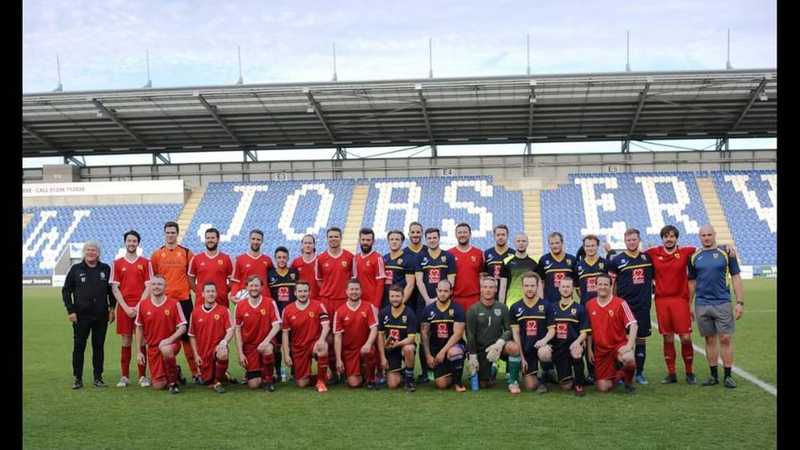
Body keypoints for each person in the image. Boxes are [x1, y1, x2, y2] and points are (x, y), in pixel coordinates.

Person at [689, 224, 745, 388]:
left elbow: (736, 277)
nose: (706, 237)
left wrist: (740, 302)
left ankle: (728, 375)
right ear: (700, 237)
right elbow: (691, 283)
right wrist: (688, 304)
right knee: (709, 339)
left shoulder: (726, 252)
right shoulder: (694, 256)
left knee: (726, 338)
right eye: (703, 235)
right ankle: (713, 375)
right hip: (702, 303)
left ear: (714, 235)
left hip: (722, 302)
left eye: (709, 234)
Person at [644, 225, 698, 385]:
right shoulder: (653, 253)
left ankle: (689, 372)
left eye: (672, 236)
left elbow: (706, 248)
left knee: (686, 338)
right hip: (662, 301)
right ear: (662, 238)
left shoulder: (686, 252)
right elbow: (634, 255)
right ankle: (671, 373)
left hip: (680, 300)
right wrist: (610, 251)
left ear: (676, 238)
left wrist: (726, 246)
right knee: (667, 338)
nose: (669, 239)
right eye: (666, 236)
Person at [62, 240, 115, 389]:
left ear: (98, 253)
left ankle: (98, 377)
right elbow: (66, 291)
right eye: (88, 250)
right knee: (79, 347)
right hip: (81, 316)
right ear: (84, 252)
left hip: (101, 315)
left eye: (94, 250)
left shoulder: (106, 269)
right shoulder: (76, 269)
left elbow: (111, 292)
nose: (91, 252)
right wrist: (70, 310)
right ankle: (77, 378)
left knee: (98, 347)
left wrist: (112, 309)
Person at [150, 221, 199, 381]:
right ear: (164, 234)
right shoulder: (157, 254)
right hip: (165, 303)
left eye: (173, 232)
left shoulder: (186, 253)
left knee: (187, 337)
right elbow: (155, 280)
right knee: (167, 338)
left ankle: (195, 372)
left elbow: (192, 276)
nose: (170, 235)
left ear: (177, 234)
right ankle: (173, 371)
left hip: (184, 301)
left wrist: (197, 293)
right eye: (168, 232)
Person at [607, 228, 654, 385]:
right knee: (621, 340)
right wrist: (613, 302)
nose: (631, 242)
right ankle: (621, 372)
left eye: (634, 239)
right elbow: (612, 284)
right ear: (625, 241)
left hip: (642, 306)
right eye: (629, 240)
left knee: (640, 339)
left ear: (639, 240)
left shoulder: (647, 258)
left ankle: (639, 373)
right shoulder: (617, 260)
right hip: (624, 306)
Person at [109, 230, 153, 388]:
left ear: (138, 243)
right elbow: (115, 288)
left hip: (142, 307)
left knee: (142, 340)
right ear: (125, 242)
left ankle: (142, 376)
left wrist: (139, 306)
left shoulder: (146, 262)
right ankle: (124, 376)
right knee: (126, 340)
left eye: (134, 241)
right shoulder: (117, 263)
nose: (132, 243)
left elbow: (149, 286)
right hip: (124, 308)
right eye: (129, 241)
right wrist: (126, 307)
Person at [534, 277, 590, 396]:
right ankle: (547, 374)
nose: (565, 289)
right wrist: (545, 342)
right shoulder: (551, 307)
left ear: (573, 289)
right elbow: (548, 330)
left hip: (572, 346)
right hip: (557, 348)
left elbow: (584, 332)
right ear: (559, 289)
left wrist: (578, 342)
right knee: (565, 386)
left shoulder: (580, 309)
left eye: (568, 287)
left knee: (576, 351)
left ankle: (579, 384)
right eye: (563, 286)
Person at [465, 277, 521, 394]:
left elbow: (508, 330)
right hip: (481, 349)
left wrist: (499, 344)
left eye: (491, 287)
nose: (488, 290)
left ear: (496, 289)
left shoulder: (503, 308)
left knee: (514, 348)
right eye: (485, 287)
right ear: (481, 289)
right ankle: (493, 369)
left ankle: (513, 381)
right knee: (483, 385)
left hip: (499, 347)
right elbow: (470, 334)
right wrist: (473, 355)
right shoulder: (473, 309)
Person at [585, 274, 638, 394]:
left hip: (618, 346)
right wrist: (589, 350)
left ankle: (628, 383)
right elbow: (588, 331)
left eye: (605, 284)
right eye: (600, 284)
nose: (602, 287)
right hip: (601, 351)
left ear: (611, 286)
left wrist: (629, 346)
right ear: (595, 286)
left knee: (629, 359)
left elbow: (633, 324)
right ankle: (620, 374)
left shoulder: (620, 303)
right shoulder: (589, 305)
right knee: (603, 388)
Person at [134, 275, 187, 394]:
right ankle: (176, 371)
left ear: (165, 287)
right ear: (150, 287)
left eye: (159, 284)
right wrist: (139, 351)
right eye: (154, 284)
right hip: (153, 348)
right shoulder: (143, 305)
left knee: (166, 349)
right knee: (159, 385)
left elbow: (183, 327)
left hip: (171, 344)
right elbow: (139, 328)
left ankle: (173, 383)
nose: (156, 287)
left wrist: (170, 339)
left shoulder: (174, 303)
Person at [315, 227, 355, 382]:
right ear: (327, 238)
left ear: (341, 237)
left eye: (336, 236)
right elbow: (319, 280)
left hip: (343, 302)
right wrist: (328, 291)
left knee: (346, 336)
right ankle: (332, 370)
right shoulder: (321, 258)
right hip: (327, 301)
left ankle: (345, 368)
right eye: (330, 236)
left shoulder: (349, 257)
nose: (333, 239)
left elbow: (353, 279)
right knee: (329, 337)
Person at [234, 275, 282, 392]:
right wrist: (240, 353)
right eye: (251, 286)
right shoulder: (240, 306)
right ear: (246, 288)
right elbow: (237, 330)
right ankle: (264, 372)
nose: (254, 288)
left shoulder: (270, 302)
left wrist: (265, 341)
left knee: (267, 349)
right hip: (250, 347)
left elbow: (277, 325)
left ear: (261, 287)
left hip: (266, 343)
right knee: (254, 385)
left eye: (256, 285)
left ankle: (269, 380)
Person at [571, 234, 608, 384]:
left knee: (604, 339)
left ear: (597, 246)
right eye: (587, 246)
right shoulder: (578, 266)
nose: (590, 248)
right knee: (588, 340)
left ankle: (606, 369)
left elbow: (611, 285)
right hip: (587, 308)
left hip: (604, 307)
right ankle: (592, 373)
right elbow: (579, 290)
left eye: (593, 245)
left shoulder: (604, 264)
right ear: (584, 247)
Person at [281, 281, 330, 392]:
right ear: (295, 293)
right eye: (300, 291)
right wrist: (286, 354)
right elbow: (285, 333)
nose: (303, 294)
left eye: (305, 291)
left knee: (323, 348)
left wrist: (321, 340)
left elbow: (326, 326)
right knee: (302, 383)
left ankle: (321, 381)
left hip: (314, 343)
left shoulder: (318, 305)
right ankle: (323, 375)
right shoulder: (288, 310)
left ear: (309, 292)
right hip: (298, 347)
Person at [420, 280, 467, 392]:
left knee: (454, 352)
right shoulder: (428, 310)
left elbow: (458, 334)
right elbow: (424, 334)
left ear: (451, 292)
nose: (442, 293)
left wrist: (443, 351)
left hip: (453, 347)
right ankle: (452, 371)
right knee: (441, 384)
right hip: (436, 350)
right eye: (440, 290)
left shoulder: (458, 309)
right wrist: (428, 355)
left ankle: (458, 383)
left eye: (446, 291)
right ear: (436, 291)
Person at [333, 279, 380, 389]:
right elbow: (338, 337)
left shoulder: (369, 307)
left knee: (370, 351)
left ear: (361, 291)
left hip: (364, 347)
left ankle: (371, 379)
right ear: (346, 291)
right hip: (350, 351)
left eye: (357, 289)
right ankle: (359, 373)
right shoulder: (339, 311)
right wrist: (339, 359)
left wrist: (368, 344)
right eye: (351, 289)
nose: (354, 292)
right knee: (354, 384)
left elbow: (374, 329)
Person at [188, 283, 234, 394]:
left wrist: (224, 342)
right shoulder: (195, 313)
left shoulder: (224, 310)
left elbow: (230, 330)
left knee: (222, 352)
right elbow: (192, 335)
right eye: (208, 291)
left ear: (216, 293)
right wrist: (196, 355)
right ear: (203, 294)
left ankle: (217, 381)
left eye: (213, 291)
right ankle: (222, 376)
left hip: (217, 349)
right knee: (206, 380)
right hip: (203, 354)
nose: (211, 294)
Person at [509, 272, 550, 393]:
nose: (530, 288)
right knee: (531, 386)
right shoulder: (515, 307)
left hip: (543, 348)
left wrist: (544, 342)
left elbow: (552, 330)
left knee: (545, 353)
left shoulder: (546, 305)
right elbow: (516, 334)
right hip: (527, 350)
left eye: (532, 285)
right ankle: (535, 376)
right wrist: (522, 358)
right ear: (522, 287)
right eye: (526, 286)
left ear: (538, 286)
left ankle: (547, 373)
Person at [403, 221, 431, 383]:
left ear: (422, 234)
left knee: (425, 335)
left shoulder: (428, 251)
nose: (415, 235)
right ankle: (406, 371)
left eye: (418, 232)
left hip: (423, 301)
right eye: (412, 232)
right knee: (408, 337)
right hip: (407, 302)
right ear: (409, 234)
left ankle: (427, 371)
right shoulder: (404, 253)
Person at [377, 285, 418, 392]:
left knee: (409, 348)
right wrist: (382, 357)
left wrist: (398, 344)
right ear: (389, 297)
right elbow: (380, 336)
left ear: (403, 297)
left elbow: (411, 338)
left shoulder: (409, 313)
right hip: (391, 350)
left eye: (397, 296)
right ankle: (402, 372)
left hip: (404, 346)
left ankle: (409, 380)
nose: (395, 299)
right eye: (392, 296)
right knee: (392, 385)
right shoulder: (383, 313)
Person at [268, 246, 299, 382]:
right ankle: (278, 370)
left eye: (284, 257)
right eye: (279, 257)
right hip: (276, 316)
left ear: (288, 258)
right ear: (275, 259)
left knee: (292, 344)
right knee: (276, 346)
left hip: (292, 315)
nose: (281, 260)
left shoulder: (294, 272)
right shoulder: (270, 273)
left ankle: (294, 371)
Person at [188, 227, 234, 309]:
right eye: (208, 238)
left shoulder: (226, 258)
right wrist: (199, 291)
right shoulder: (196, 258)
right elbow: (190, 278)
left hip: (221, 301)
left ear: (218, 239)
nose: (210, 240)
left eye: (213, 238)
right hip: (201, 302)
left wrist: (223, 291)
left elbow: (232, 280)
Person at [415, 227, 457, 309]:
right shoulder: (419, 257)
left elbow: (451, 282)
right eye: (429, 238)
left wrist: (438, 299)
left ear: (439, 238)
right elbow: (419, 282)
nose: (432, 240)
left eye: (434, 238)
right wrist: (427, 299)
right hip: (424, 300)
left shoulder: (448, 256)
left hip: (444, 301)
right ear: (426, 240)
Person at [448, 222, 485, 312]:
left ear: (470, 234)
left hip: (474, 298)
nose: (462, 235)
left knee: (473, 326)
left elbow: (482, 277)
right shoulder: (449, 253)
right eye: (459, 232)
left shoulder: (478, 253)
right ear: (456, 235)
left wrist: (482, 297)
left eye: (465, 232)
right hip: (455, 298)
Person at [230, 229, 274, 302]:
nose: (255, 242)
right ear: (249, 240)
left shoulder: (267, 260)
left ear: (262, 241)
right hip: (246, 299)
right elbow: (236, 281)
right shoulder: (240, 259)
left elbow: (271, 281)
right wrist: (233, 295)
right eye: (253, 239)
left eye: (258, 239)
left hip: (264, 298)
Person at [536, 232, 577, 305]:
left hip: (568, 303)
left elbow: (576, 284)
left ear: (562, 243)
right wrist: (541, 301)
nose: (555, 246)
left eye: (557, 243)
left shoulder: (572, 260)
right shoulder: (544, 260)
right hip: (549, 303)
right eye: (552, 243)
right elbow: (540, 283)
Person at [502, 233, 539, 307]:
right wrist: (501, 305)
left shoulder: (535, 262)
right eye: (518, 241)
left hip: (531, 304)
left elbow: (539, 286)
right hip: (511, 303)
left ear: (528, 243)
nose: (521, 243)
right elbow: (503, 287)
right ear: (514, 243)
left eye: (523, 241)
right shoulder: (506, 261)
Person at [382, 230, 416, 309]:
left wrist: (401, 303)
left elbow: (410, 285)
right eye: (392, 239)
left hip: (401, 304)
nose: (394, 242)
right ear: (388, 241)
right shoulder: (384, 258)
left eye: (397, 239)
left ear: (402, 242)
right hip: (385, 302)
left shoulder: (408, 259)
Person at [353, 227, 386, 309]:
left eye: (368, 240)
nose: (365, 242)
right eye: (363, 240)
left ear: (373, 241)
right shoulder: (355, 258)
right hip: (357, 301)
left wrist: (376, 305)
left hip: (371, 303)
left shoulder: (377, 258)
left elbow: (380, 284)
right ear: (359, 240)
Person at [484, 224, 511, 301]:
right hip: (490, 296)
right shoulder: (487, 253)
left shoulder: (513, 254)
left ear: (507, 236)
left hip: (509, 296)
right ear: (494, 236)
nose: (500, 237)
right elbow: (483, 276)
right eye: (498, 235)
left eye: (503, 234)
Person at [291, 234, 320, 301]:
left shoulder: (320, 260)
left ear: (314, 245)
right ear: (302, 245)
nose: (308, 245)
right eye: (305, 243)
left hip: (317, 299)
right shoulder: (296, 262)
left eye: (310, 243)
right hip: (301, 299)